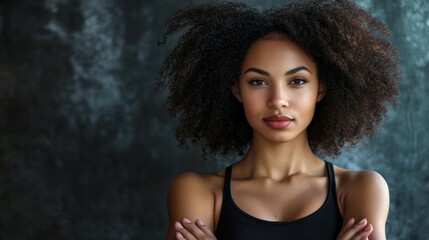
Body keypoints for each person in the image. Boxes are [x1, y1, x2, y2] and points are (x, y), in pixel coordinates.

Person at [157, 0, 400, 239]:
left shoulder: (361, 189)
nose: (277, 100)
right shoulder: (195, 191)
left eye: (297, 81)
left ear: (321, 88)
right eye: (258, 82)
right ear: (237, 90)